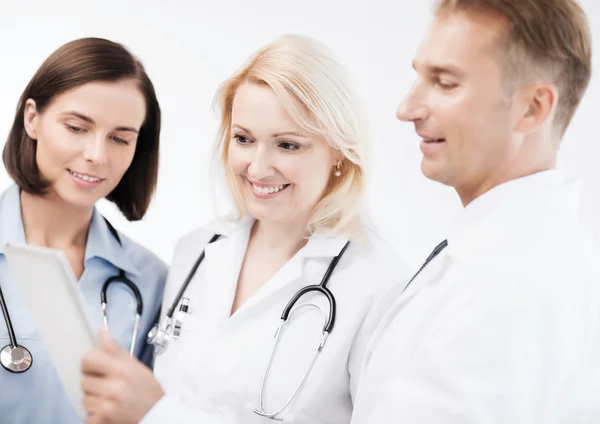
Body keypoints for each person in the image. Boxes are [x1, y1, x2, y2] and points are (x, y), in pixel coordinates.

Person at [80, 34, 408, 424]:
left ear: (338, 151)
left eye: (287, 145)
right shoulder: (197, 251)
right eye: (243, 139)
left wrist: (158, 413)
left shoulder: (381, 285)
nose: (257, 167)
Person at [351, 0, 600, 423]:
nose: (406, 108)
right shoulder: (522, 252)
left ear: (532, 108)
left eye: (445, 83)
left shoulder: (507, 283)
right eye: (420, 77)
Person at [0, 38, 167, 424]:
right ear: (32, 118)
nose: (97, 154)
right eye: (77, 127)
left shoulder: (150, 282)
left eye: (120, 138)